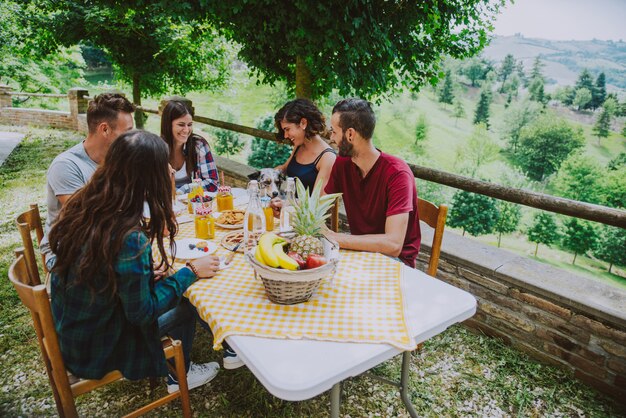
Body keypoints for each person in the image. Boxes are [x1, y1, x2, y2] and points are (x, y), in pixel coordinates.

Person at [48, 130, 221, 393]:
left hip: (73, 333)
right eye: (163, 166)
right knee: (187, 304)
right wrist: (191, 271)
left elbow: (102, 270)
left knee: (175, 290)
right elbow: (142, 314)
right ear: (148, 176)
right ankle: (179, 377)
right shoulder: (129, 237)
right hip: (97, 349)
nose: (169, 170)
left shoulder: (87, 203)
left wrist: (143, 277)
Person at [40, 93, 135, 269]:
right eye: (127, 132)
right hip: (66, 252)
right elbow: (86, 220)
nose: (132, 138)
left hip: (108, 242)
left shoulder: (119, 159)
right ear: (105, 129)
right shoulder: (66, 165)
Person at [324, 98, 421, 268]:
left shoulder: (398, 174)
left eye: (334, 132)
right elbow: (319, 205)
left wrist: (335, 237)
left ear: (350, 134)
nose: (331, 137)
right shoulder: (342, 164)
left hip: (395, 264)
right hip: (360, 255)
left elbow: (393, 245)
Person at [274, 98, 336, 192]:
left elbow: (319, 202)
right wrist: (263, 175)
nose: (285, 135)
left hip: (304, 207)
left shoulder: (327, 158)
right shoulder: (299, 145)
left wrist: (286, 204)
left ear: (303, 123)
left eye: (287, 129)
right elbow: (284, 169)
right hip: (288, 205)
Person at [161, 100, 219, 194]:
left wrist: (181, 191)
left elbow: (213, 184)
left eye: (189, 125)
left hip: (195, 206)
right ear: (168, 125)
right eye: (181, 125)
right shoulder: (155, 150)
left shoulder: (199, 145)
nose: (186, 130)